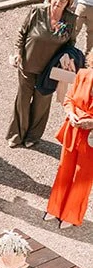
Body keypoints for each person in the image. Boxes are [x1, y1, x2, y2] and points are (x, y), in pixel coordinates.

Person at [7, 0, 78, 149]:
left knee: (42, 104)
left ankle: (33, 136)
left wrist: (68, 57)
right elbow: (21, 34)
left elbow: (71, 43)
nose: (58, 2)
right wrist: (18, 53)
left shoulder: (70, 19)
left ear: (69, 2)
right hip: (28, 64)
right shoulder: (36, 12)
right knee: (23, 101)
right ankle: (17, 135)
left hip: (50, 69)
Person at [47, 66, 93, 226]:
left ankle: (72, 215)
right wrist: (70, 113)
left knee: (83, 178)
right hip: (73, 129)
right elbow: (70, 98)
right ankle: (55, 208)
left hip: (91, 136)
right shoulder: (83, 73)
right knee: (64, 169)